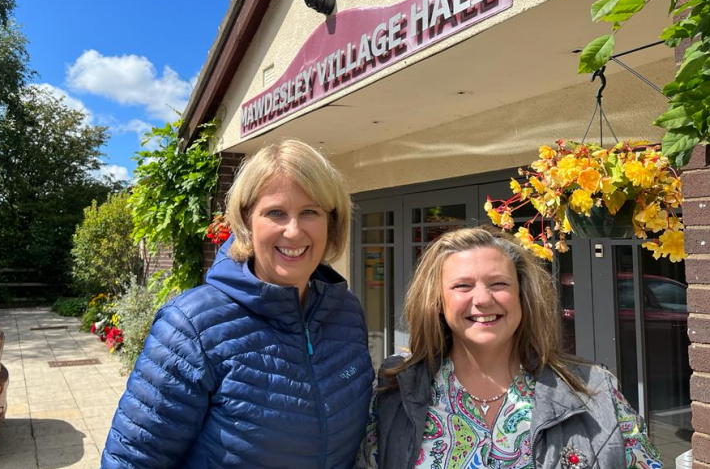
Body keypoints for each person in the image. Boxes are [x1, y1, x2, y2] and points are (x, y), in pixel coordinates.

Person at [101, 139, 374, 469]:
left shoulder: (346, 312)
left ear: (332, 221)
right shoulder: (191, 327)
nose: (294, 230)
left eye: (310, 212)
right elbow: (133, 460)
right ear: (246, 221)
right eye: (275, 212)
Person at [356, 226, 661, 469]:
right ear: (437, 301)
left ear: (522, 295)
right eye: (462, 286)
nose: (483, 299)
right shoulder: (394, 393)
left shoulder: (594, 391)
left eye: (498, 284)